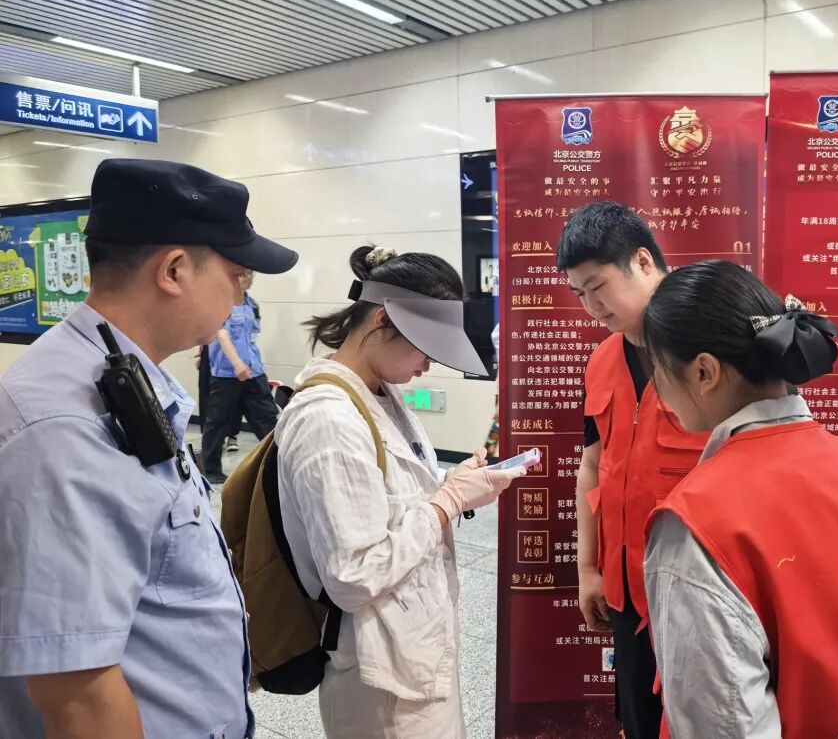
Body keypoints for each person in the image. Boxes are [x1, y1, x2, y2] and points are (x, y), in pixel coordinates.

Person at [0, 159, 298, 738]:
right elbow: (77, 694)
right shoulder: (64, 428)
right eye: (238, 275)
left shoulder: (121, 380)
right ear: (175, 270)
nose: (240, 295)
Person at [640, 261, 838, 738]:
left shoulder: (697, 521)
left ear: (705, 372)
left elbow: (724, 722)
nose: (656, 388)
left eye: (657, 368)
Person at [274, 245, 525, 738]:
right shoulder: (328, 420)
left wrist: (454, 485)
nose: (428, 365)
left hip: (409, 650)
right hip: (379, 675)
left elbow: (395, 505)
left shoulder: (378, 394)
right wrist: (449, 500)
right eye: (425, 347)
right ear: (383, 320)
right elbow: (353, 574)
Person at [556, 202, 708, 739]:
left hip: (699, 594)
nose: (591, 306)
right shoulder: (602, 359)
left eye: (597, 286)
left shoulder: (712, 352)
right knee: (640, 723)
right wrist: (589, 570)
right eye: (579, 293)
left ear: (643, 261)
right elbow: (592, 464)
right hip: (625, 587)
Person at [201, 268, 278, 482]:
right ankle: (211, 470)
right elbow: (222, 335)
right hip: (227, 374)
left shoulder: (251, 304)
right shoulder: (221, 304)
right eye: (244, 274)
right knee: (218, 421)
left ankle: (279, 465)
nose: (248, 278)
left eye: (251, 274)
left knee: (267, 418)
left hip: (254, 371)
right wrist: (237, 365)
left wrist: (250, 367)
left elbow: (250, 337)